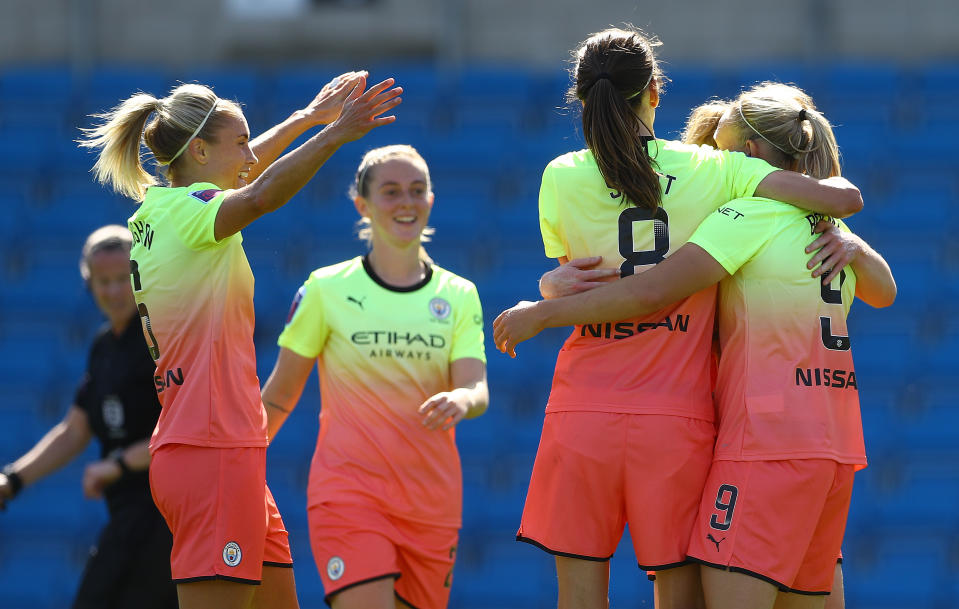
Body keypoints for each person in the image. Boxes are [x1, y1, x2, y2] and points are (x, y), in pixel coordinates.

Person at [499, 26, 868, 609]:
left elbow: (581, 274)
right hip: (678, 421)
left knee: (578, 598)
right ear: (655, 90)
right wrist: (853, 243)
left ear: (582, 97)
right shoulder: (716, 171)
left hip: (581, 410)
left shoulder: (560, 175)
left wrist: (545, 300)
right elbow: (841, 200)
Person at [77, 72, 402, 609]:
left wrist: (306, 118)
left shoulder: (161, 209)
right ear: (199, 151)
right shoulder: (190, 215)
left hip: (220, 449)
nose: (252, 153)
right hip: (213, 451)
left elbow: (245, 175)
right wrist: (335, 134)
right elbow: (258, 195)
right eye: (242, 141)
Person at [260, 144, 489, 609]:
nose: (406, 201)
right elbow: (280, 395)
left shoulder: (460, 294)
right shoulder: (326, 289)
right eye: (391, 191)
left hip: (432, 502)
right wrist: (233, 461)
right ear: (361, 204)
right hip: (348, 495)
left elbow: (476, 386)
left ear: (431, 199)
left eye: (417, 190)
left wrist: (461, 401)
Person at [0, 225, 178, 609]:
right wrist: (12, 480)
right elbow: (74, 430)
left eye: (122, 280)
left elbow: (187, 423)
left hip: (168, 515)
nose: (113, 291)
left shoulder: (161, 339)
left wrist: (117, 463)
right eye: (103, 281)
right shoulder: (102, 347)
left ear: (140, 277)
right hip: (127, 514)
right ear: (89, 283)